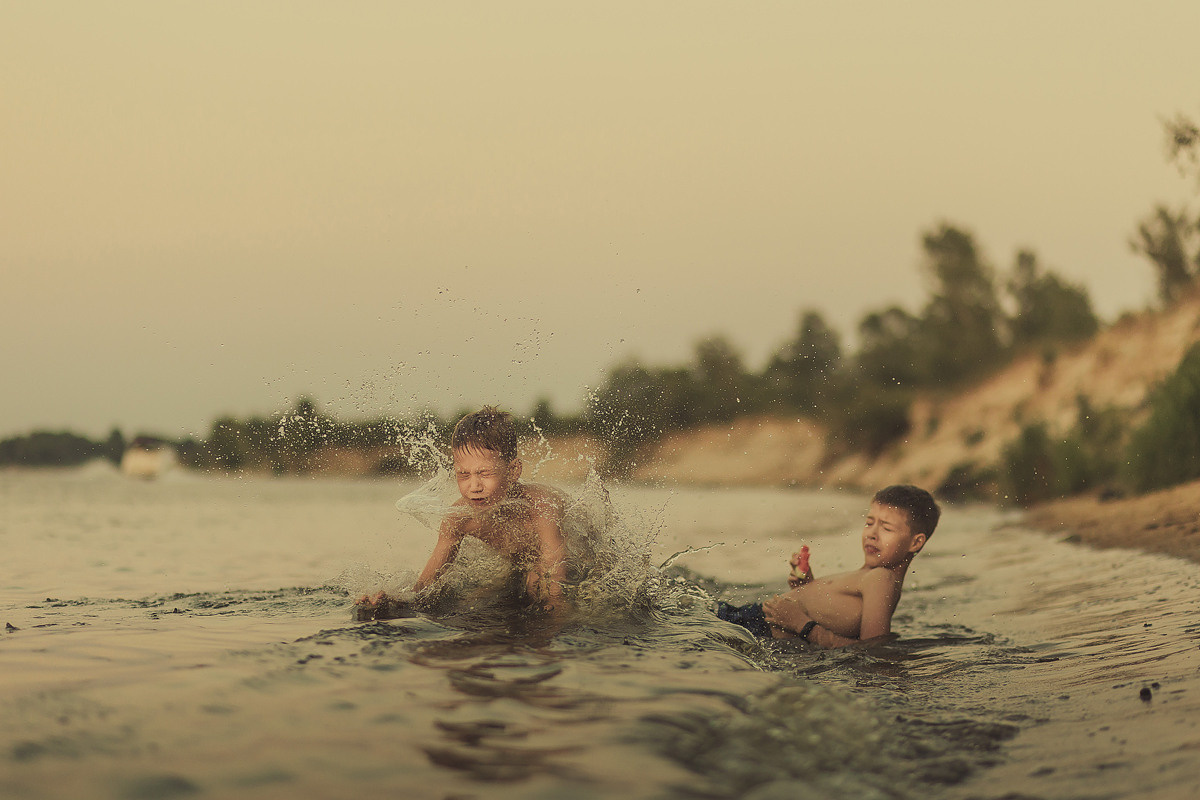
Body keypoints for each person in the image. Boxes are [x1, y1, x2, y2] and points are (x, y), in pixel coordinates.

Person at [356, 406, 569, 619]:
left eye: (484, 473)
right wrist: (395, 603)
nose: (474, 486)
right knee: (476, 601)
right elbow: (427, 585)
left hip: (574, 558)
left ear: (513, 471)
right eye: (463, 475)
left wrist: (551, 624)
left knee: (536, 584)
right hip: (521, 565)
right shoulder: (460, 519)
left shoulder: (542, 508)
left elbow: (556, 579)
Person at [716, 484, 939, 648]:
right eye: (869, 523)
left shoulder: (883, 579)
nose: (872, 533)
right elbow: (834, 613)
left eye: (886, 528)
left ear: (915, 542)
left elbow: (874, 650)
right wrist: (807, 587)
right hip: (751, 623)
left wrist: (802, 624)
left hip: (756, 628)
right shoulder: (869, 575)